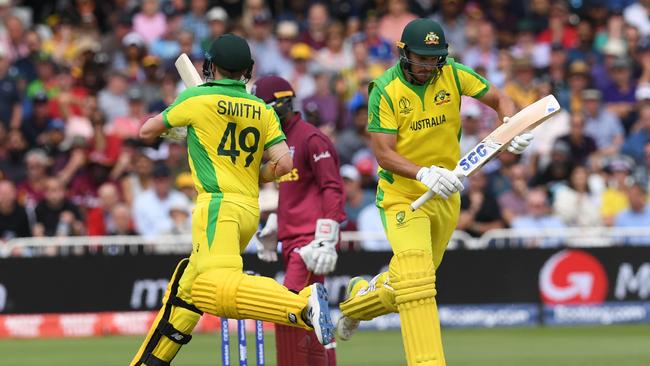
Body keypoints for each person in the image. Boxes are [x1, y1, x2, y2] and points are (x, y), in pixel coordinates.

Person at [335, 19, 532, 366]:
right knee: (417, 281)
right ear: (404, 53)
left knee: (409, 286)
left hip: (448, 193)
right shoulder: (384, 88)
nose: (428, 66)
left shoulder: (452, 74)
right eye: (421, 58)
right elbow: (383, 153)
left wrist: (511, 127)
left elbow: (501, 98)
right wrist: (424, 173)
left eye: (434, 58)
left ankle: (357, 301)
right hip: (403, 195)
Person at [130, 34, 334, 366]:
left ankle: (301, 305)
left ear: (210, 66)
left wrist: (179, 131)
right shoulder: (263, 110)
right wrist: (253, 172)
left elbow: (146, 130)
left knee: (215, 286)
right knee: (187, 290)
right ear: (247, 70)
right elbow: (284, 164)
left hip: (217, 205)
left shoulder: (197, 98)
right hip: (247, 210)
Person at [253, 75, 346, 366]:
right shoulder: (278, 142)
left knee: (288, 311)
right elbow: (293, 192)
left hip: (309, 243)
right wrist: (276, 224)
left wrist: (326, 236)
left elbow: (331, 187)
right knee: (314, 317)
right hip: (292, 240)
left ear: (282, 104)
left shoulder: (310, 138)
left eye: (265, 108)